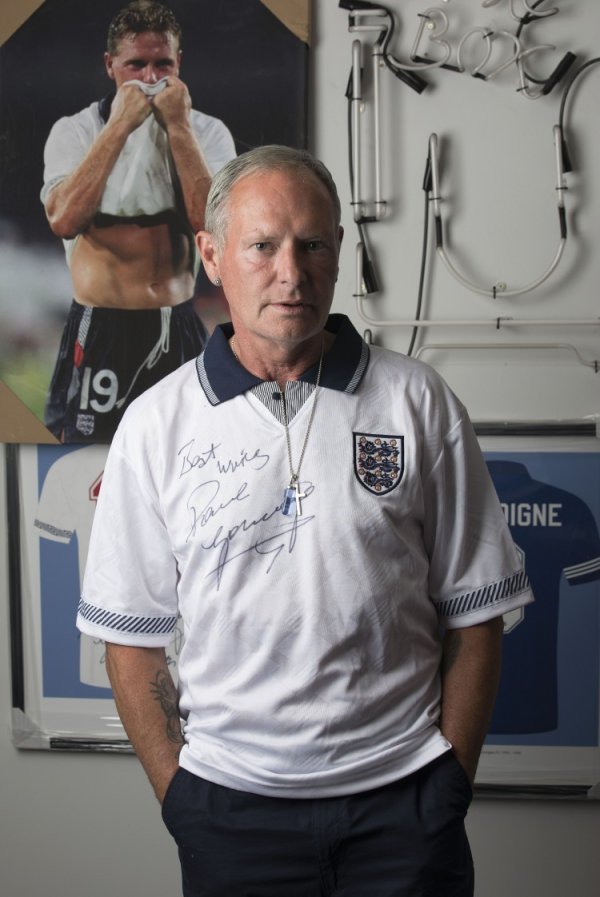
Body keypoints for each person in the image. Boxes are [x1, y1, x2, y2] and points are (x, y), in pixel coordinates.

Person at [78, 145, 534, 897]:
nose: (291, 274)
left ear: (339, 251)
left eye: (313, 245)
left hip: (404, 811)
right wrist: (181, 799)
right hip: (229, 814)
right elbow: (129, 640)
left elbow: (477, 612)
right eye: (262, 246)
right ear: (212, 256)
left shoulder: (417, 401)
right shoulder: (155, 425)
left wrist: (447, 784)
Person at [40, 1, 236, 442]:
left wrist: (179, 128)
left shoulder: (208, 132)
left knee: (191, 450)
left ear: (179, 63)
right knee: (85, 459)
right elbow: (64, 219)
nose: (150, 78)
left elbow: (213, 225)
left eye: (162, 64)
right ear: (110, 65)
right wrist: (120, 125)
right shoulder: (75, 131)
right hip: (101, 329)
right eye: (136, 65)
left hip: (177, 323)